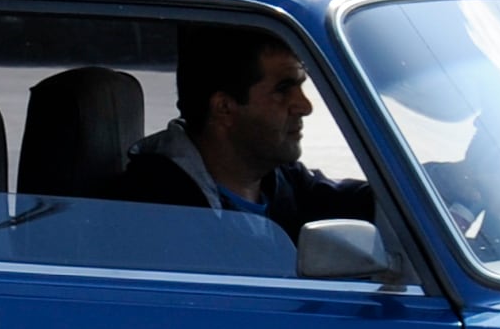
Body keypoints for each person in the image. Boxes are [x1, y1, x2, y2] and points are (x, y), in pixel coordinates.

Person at [117, 27, 370, 240]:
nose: (305, 106)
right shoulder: (153, 210)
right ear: (225, 108)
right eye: (283, 90)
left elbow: (374, 204)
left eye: (300, 87)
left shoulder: (283, 182)